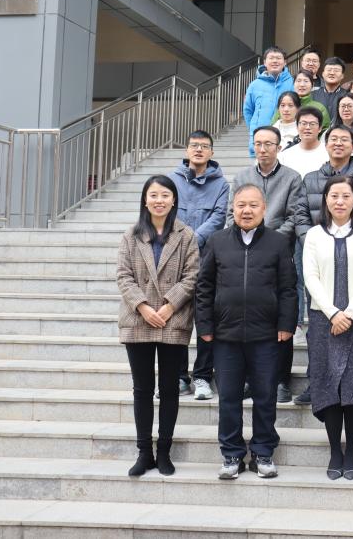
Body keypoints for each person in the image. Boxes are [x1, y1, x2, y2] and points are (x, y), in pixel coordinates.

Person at [195, 184, 298, 481]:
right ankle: (231, 454)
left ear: (264, 209)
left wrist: (286, 325)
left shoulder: (278, 243)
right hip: (225, 336)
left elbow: (288, 288)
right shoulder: (217, 241)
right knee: (228, 398)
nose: (247, 211)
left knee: (265, 396)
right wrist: (205, 326)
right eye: (241, 205)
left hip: (266, 336)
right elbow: (204, 286)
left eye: (253, 205)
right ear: (233, 208)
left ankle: (263, 452)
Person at [116, 175, 200, 477]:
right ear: (145, 199)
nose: (159, 200)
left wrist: (167, 306)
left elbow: (192, 276)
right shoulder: (131, 235)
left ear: (174, 199)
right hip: (138, 319)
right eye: (154, 195)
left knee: (169, 388)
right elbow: (123, 275)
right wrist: (143, 306)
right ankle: (144, 452)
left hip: (172, 319)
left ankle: (164, 451)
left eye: (165, 195)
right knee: (142, 389)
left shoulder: (186, 235)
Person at [292, 125, 353, 406]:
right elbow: (300, 214)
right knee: (317, 329)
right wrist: (315, 241)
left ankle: (350, 390)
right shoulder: (311, 178)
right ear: (325, 145)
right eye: (333, 139)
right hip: (319, 252)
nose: (338, 143)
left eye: (344, 139)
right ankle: (315, 382)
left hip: (352, 246)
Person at [302, 175, 353, 481]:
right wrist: (334, 313)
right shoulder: (314, 235)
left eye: (346, 196)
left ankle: (352, 451)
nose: (339, 201)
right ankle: (335, 450)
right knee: (328, 385)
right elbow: (310, 277)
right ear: (326, 199)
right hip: (324, 319)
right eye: (334, 195)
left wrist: (349, 312)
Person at [229, 127, 303, 404]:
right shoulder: (242, 178)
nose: (263, 148)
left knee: (280, 315)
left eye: (268, 144)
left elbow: (294, 217)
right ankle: (250, 379)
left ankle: (281, 380)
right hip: (244, 255)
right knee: (249, 316)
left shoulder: (292, 178)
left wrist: (269, 241)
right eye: (258, 143)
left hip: (278, 253)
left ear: (279, 147)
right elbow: (231, 215)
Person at [168, 130, 229, 399]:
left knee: (206, 319)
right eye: (194, 145)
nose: (199, 150)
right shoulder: (171, 180)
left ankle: (203, 376)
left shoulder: (221, 184)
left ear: (212, 152)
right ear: (186, 150)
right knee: (177, 319)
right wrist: (181, 240)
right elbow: (165, 212)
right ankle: (179, 377)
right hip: (175, 259)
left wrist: (191, 239)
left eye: (204, 146)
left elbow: (219, 217)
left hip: (207, 259)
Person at [243, 46, 294, 156]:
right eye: (271, 58)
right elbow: (248, 111)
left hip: (286, 139)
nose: (275, 61)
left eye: (278, 58)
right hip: (260, 140)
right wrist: (254, 129)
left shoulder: (293, 83)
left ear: (285, 62)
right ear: (265, 62)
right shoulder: (254, 85)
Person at [279, 107, 329, 179]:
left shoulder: (329, 153)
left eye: (312, 124)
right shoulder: (284, 156)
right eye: (303, 123)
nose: (307, 127)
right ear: (297, 127)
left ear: (320, 128)